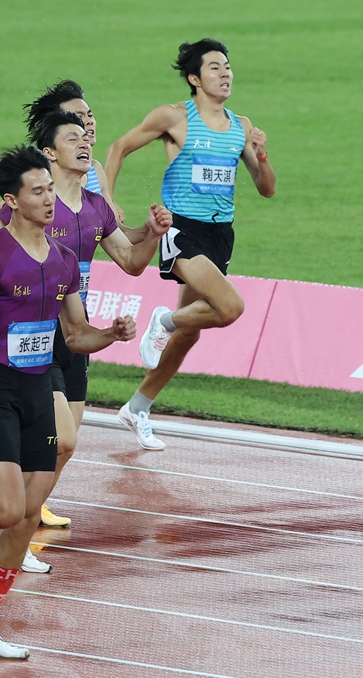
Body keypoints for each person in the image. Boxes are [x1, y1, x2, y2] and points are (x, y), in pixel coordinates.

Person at [0, 146, 136, 660]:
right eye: (38, 191)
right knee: (3, 513)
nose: (49, 199)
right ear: (12, 200)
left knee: (26, 519)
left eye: (50, 189)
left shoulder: (60, 262)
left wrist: (112, 334)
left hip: (39, 395)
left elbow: (75, 336)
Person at [0, 113, 170, 565]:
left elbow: (131, 261)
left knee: (65, 445)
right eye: (74, 135)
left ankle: (22, 522)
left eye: (89, 132)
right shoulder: (25, 207)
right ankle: (19, 529)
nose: (87, 139)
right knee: (63, 438)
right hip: (30, 339)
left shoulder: (96, 207)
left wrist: (151, 235)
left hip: (75, 329)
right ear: (50, 153)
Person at [104, 38, 276, 450]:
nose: (226, 73)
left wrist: (263, 155)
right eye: (215, 68)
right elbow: (118, 148)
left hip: (221, 233)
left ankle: (138, 407)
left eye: (228, 66)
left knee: (190, 332)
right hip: (182, 227)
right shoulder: (175, 117)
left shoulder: (241, 126)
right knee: (230, 307)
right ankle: (161, 321)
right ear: (194, 79)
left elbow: (266, 189)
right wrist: (107, 202)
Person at [20, 80, 119, 216]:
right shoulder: (39, 180)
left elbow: (116, 230)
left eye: (90, 115)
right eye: (79, 117)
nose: (89, 121)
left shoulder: (95, 171)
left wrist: (150, 230)